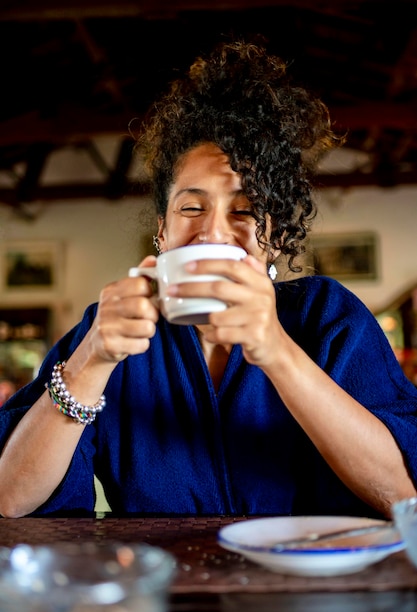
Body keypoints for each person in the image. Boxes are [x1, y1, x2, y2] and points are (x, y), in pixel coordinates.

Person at [0, 40, 416, 520]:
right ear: (162, 232)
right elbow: (10, 498)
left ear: (275, 240)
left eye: (245, 210)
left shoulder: (327, 317)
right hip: (166, 588)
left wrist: (277, 351)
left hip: (314, 586)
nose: (214, 231)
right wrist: (91, 361)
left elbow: (402, 493)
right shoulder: (109, 330)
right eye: (191, 207)